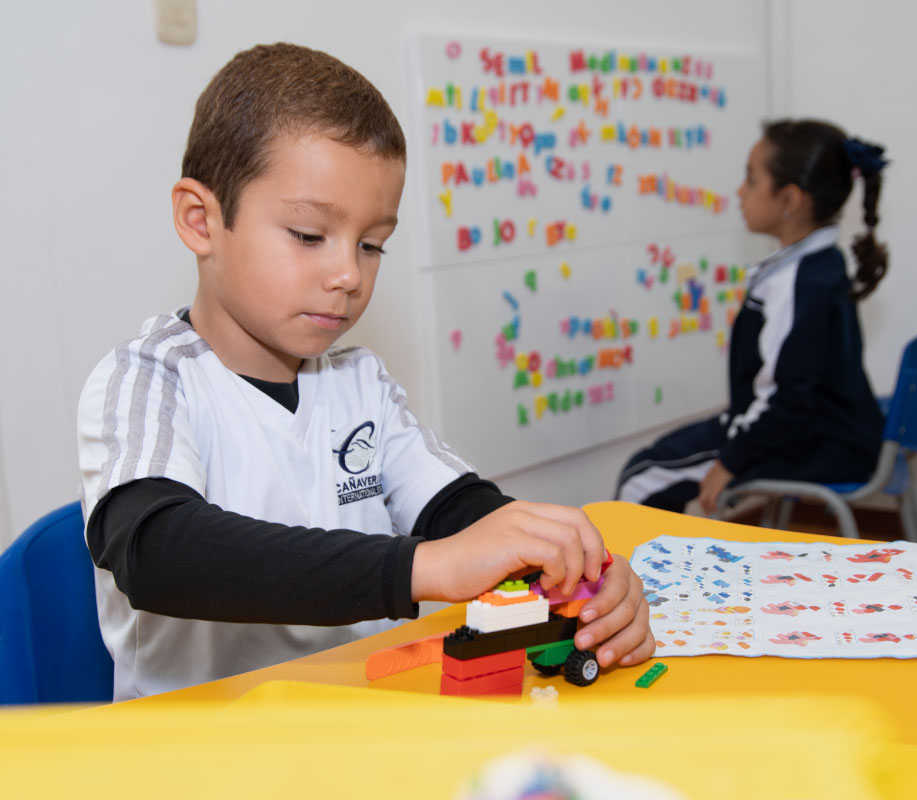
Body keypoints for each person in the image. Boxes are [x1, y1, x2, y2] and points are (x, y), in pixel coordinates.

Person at [77, 43, 653, 701]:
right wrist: (422, 568)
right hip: (198, 751)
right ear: (201, 221)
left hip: (361, 727)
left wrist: (565, 563)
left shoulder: (359, 382)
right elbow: (158, 552)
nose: (349, 274)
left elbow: (457, 511)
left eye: (372, 244)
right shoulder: (147, 380)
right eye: (307, 234)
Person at [617, 119, 889, 517]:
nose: (740, 192)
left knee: (640, 480)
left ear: (789, 200)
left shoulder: (798, 282)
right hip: (828, 433)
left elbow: (788, 397)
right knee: (650, 466)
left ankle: (627, 579)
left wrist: (731, 460)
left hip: (808, 441)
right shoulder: (819, 261)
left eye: (751, 179)